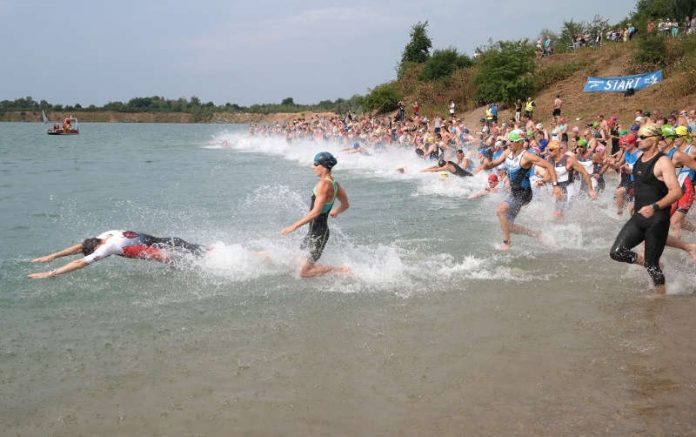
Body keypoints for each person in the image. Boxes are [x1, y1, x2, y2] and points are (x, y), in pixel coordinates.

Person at [609, 124, 682, 295]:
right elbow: (641, 185)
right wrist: (635, 202)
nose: (638, 140)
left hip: (657, 219)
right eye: (638, 137)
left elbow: (677, 191)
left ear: (654, 138)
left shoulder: (662, 161)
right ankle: (653, 264)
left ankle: (660, 298)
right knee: (617, 252)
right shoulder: (640, 160)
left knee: (651, 265)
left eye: (642, 137)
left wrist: (654, 206)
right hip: (639, 216)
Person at [482, 129, 562, 250]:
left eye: (512, 141)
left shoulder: (527, 157)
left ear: (519, 142)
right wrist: (487, 161)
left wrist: (555, 186)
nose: (509, 143)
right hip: (514, 193)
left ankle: (506, 242)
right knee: (508, 226)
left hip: (524, 194)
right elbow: (493, 164)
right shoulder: (507, 152)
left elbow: (549, 165)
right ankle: (536, 234)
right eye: (508, 141)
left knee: (500, 210)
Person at [281, 152, 350, 278]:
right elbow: (345, 205)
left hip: (319, 233)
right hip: (315, 231)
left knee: (303, 273)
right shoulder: (334, 183)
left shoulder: (324, 184)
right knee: (297, 261)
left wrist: (293, 226)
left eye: (315, 164)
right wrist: (334, 211)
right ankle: (317, 267)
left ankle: (342, 270)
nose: (313, 167)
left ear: (323, 166)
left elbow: (316, 211)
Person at [28, 230, 205, 279]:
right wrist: (54, 256)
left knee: (165, 257)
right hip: (142, 238)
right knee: (174, 242)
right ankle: (203, 251)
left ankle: (195, 267)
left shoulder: (105, 249)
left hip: (134, 249)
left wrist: (52, 273)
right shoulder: (103, 236)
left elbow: (79, 263)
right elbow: (79, 247)